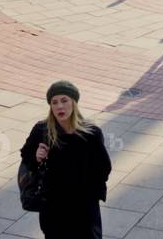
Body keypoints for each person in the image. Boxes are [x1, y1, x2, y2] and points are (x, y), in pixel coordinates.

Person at [20, 81, 112, 239]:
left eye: (64, 100)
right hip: (53, 206)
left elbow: (103, 168)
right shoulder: (42, 130)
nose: (59, 107)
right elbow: (27, 158)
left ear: (74, 103)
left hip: (83, 207)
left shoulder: (90, 133)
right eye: (54, 102)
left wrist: (90, 193)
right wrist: (36, 157)